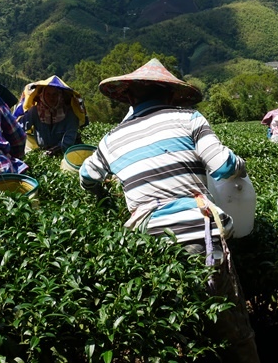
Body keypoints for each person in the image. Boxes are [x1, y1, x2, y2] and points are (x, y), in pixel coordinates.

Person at [78, 59, 260, 363]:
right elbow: (223, 165)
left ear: (131, 97)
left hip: (149, 244)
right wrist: (241, 166)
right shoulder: (188, 119)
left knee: (174, 332)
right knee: (231, 330)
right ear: (171, 95)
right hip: (199, 235)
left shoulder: (111, 139)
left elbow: (86, 176)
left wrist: (101, 199)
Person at [14, 75, 87, 155]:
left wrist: (54, 151)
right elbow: (20, 127)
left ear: (60, 95)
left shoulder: (70, 112)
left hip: (69, 152)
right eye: (48, 94)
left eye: (54, 95)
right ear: (42, 95)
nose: (51, 98)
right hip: (43, 150)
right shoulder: (35, 111)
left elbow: (69, 139)